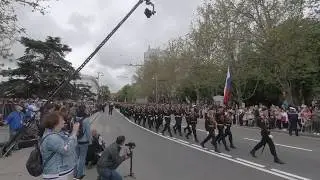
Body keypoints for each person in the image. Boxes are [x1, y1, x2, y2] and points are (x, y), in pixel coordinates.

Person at [41, 112, 79, 180]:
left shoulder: (57, 133)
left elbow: (69, 143)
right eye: (61, 120)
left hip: (59, 172)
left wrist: (73, 135)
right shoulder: (52, 137)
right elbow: (67, 150)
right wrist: (74, 132)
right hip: (56, 174)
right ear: (55, 123)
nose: (64, 121)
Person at [74, 105, 92, 180]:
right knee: (82, 158)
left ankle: (74, 173)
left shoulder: (75, 118)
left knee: (75, 158)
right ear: (84, 110)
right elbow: (88, 132)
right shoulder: (86, 120)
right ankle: (79, 174)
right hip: (84, 141)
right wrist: (90, 140)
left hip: (76, 140)